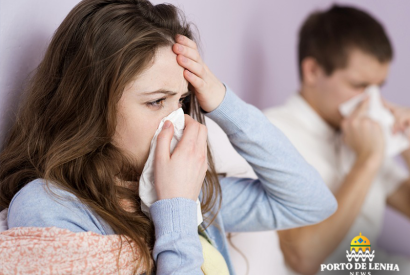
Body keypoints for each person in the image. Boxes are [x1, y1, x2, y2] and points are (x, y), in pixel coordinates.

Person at [0, 0, 337, 274]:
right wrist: (175, 210)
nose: (176, 120)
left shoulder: (187, 191)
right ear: (89, 105)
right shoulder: (48, 209)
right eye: (156, 101)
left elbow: (311, 202)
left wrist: (222, 102)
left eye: (183, 100)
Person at [261, 5, 410, 275]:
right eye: (359, 86)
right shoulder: (272, 133)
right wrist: (367, 161)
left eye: (379, 87)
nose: (372, 100)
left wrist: (407, 145)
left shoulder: (356, 133)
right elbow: (303, 258)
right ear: (313, 71)